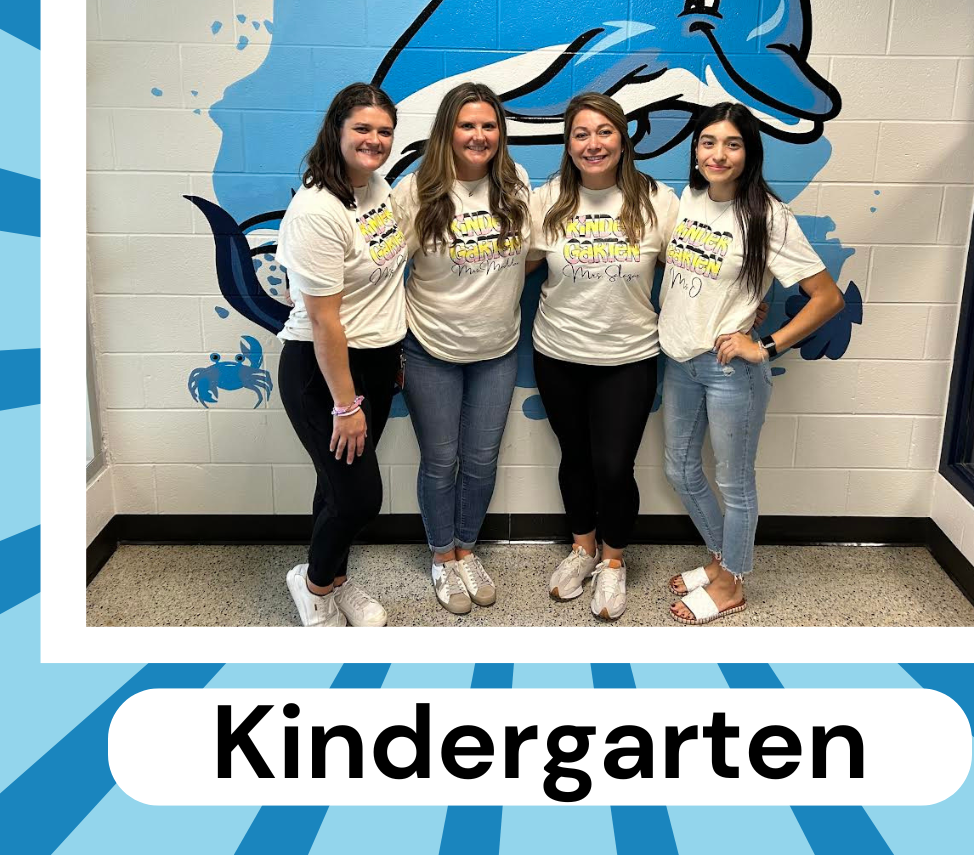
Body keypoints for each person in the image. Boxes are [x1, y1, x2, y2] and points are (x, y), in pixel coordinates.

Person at [659, 102, 845, 625]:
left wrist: (765, 345)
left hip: (728, 371)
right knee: (680, 468)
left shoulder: (767, 215)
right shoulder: (690, 199)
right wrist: (750, 300)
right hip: (679, 359)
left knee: (735, 483)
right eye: (708, 142)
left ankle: (731, 583)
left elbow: (827, 298)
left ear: (749, 153)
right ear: (695, 151)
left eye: (732, 144)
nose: (718, 154)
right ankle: (724, 560)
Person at [526, 93, 679, 620]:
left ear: (623, 138)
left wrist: (750, 308)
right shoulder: (546, 201)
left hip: (630, 355)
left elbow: (702, 268)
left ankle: (613, 564)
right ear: (568, 144)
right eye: (581, 134)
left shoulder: (658, 200)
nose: (593, 144)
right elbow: (512, 268)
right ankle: (583, 547)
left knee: (614, 466)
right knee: (575, 456)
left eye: (604, 132)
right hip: (558, 352)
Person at [392, 83, 531, 615]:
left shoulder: (514, 185)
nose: (479, 135)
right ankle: (441, 556)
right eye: (467, 125)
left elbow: (530, 257)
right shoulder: (416, 192)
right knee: (440, 459)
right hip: (430, 349)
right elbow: (382, 271)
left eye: (489, 125)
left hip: (497, 350)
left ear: (501, 132)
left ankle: (467, 549)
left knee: (480, 459)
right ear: (447, 130)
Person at [276, 83, 408, 628]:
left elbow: (381, 282)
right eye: (363, 129)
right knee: (358, 499)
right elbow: (324, 320)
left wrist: (390, 352)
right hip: (324, 371)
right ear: (336, 130)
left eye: (383, 131)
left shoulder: (375, 187)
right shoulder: (317, 210)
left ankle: (333, 577)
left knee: (335, 487)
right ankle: (313, 589)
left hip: (374, 362)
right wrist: (345, 404)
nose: (375, 141)